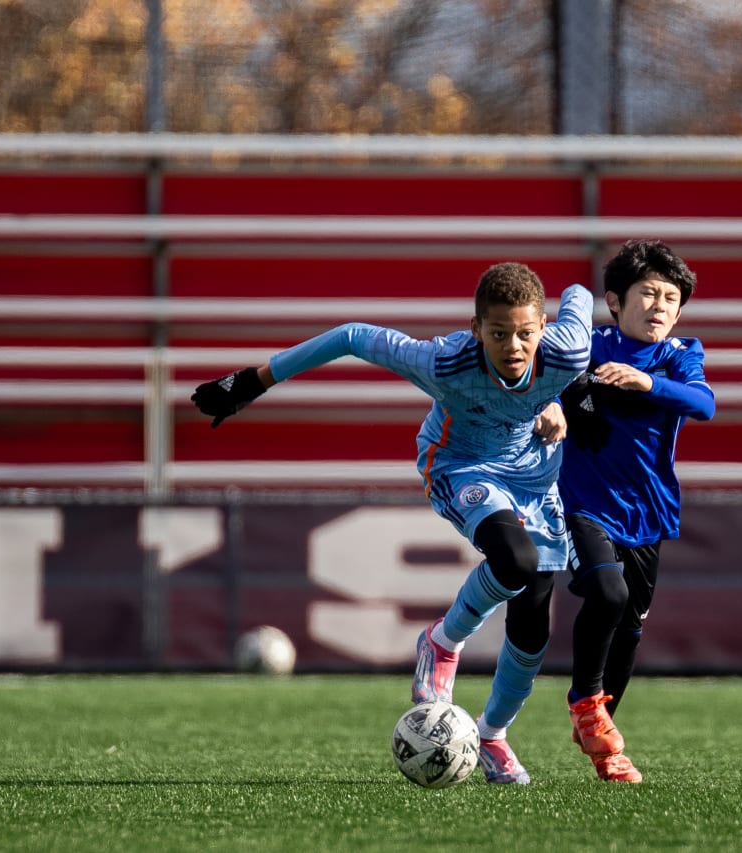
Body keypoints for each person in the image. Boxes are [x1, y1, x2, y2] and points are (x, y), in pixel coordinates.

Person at [190, 262, 593, 785]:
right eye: (498, 333)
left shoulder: (568, 349)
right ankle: (443, 642)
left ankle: (491, 734)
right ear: (476, 330)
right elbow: (353, 336)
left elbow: (581, 292)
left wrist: (562, 397)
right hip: (461, 464)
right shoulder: (446, 362)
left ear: (542, 326)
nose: (513, 346)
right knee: (515, 559)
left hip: (534, 473)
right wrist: (254, 381)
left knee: (533, 621)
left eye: (524, 333)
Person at [558, 239, 715, 783]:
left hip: (648, 510)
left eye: (671, 298)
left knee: (629, 627)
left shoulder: (679, 354)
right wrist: (568, 401)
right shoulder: (590, 346)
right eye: (648, 294)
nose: (660, 307)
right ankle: (583, 704)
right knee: (608, 592)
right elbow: (549, 382)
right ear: (614, 301)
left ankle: (602, 740)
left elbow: (704, 404)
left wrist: (645, 382)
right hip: (582, 504)